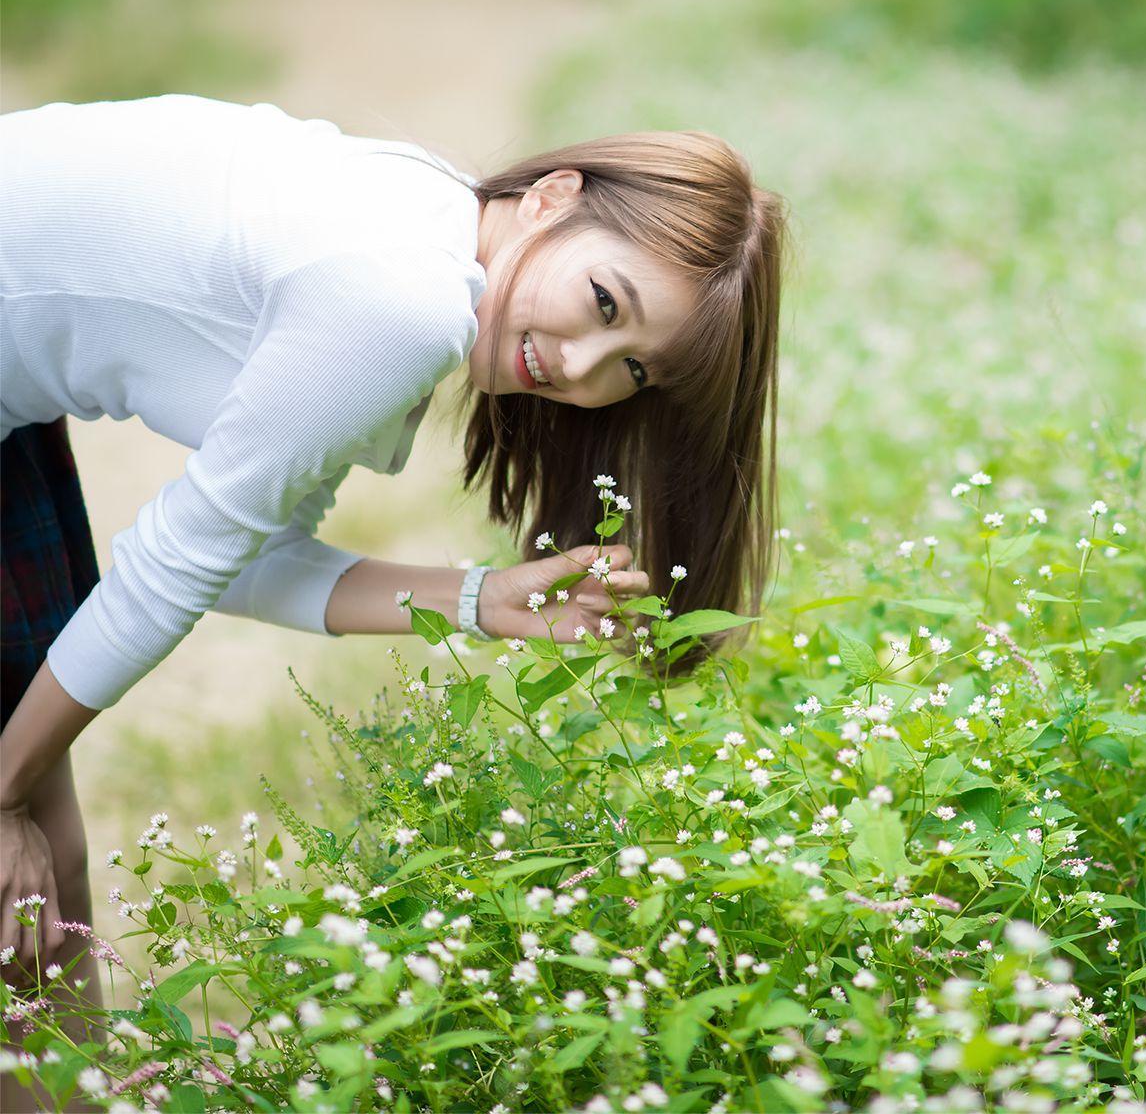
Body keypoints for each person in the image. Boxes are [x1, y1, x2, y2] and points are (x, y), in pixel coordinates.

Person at [0, 95, 788, 1100]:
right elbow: (178, 557)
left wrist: (483, 599)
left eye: (630, 368)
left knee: (41, 900)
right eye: (602, 301)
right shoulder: (404, 299)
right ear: (554, 197)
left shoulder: (421, 223)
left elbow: (241, 557)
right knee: (16, 898)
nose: (581, 367)